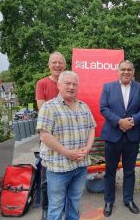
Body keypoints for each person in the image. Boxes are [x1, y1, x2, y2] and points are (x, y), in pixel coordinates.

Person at [36, 71, 96, 220]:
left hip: (81, 166)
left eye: (74, 84)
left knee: (74, 203)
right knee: (56, 206)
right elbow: (44, 135)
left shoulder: (83, 106)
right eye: (67, 83)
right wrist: (68, 153)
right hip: (59, 168)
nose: (71, 87)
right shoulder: (49, 107)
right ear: (59, 85)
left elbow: (92, 128)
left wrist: (88, 148)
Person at [100, 60, 140, 217]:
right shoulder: (108, 87)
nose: (126, 72)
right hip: (113, 136)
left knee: (129, 171)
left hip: (132, 135)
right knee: (110, 171)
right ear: (118, 71)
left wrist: (132, 121)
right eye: (123, 69)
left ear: (133, 72)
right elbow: (104, 108)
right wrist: (119, 121)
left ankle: (128, 199)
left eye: (129, 69)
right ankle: (109, 201)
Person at [35, 51, 66, 220]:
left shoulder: (68, 82)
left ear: (65, 65)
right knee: (46, 177)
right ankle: (46, 209)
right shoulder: (42, 83)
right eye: (54, 62)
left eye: (60, 62)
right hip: (49, 135)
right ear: (49, 65)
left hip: (67, 137)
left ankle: (63, 207)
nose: (57, 65)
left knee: (66, 175)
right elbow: (42, 110)